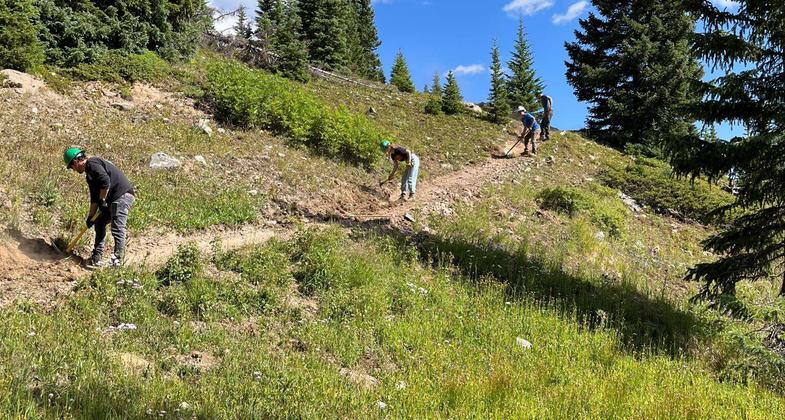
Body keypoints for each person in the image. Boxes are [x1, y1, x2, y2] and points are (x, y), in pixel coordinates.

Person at [63, 147, 135, 268]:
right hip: (110, 199)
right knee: (99, 222)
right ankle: (96, 258)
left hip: (122, 196)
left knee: (117, 228)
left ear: (76, 162)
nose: (73, 170)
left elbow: (105, 181)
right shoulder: (89, 175)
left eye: (71, 167)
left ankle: (117, 262)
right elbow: (94, 198)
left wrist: (102, 200)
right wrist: (91, 216)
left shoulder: (92, 163)